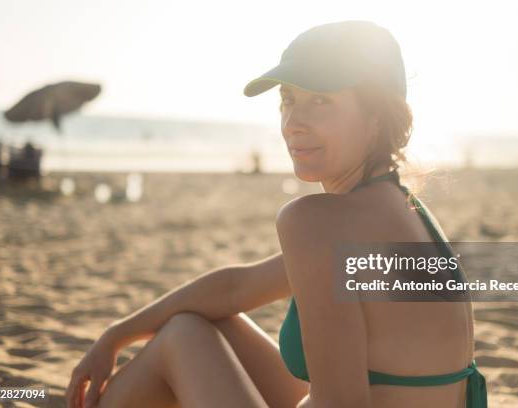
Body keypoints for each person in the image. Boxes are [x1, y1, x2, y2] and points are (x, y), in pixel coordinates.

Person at [66, 20, 487, 408]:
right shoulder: (402, 209)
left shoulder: (316, 221)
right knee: (208, 323)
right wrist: (115, 336)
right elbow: (236, 288)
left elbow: (342, 404)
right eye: (288, 99)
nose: (293, 122)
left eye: (319, 100)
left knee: (182, 336)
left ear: (377, 117)